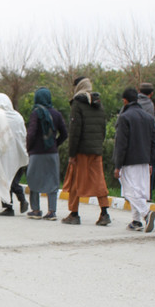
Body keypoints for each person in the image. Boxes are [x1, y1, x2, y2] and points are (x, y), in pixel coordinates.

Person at [62, 77, 111, 226]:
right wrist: (98, 145)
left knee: (75, 181)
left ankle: (74, 214)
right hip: (96, 149)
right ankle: (104, 213)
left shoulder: (77, 103)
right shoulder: (98, 103)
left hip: (81, 150)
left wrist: (72, 154)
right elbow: (103, 128)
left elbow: (75, 131)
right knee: (99, 181)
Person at [114, 87, 155, 232]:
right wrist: (151, 162)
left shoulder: (125, 117)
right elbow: (153, 142)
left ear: (125, 101)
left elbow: (121, 143)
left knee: (129, 191)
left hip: (129, 160)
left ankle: (146, 213)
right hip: (145, 160)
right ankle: (136, 221)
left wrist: (118, 165)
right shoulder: (149, 118)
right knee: (139, 190)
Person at [0, 92, 29, 216]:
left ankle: (10, 206)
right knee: (13, 180)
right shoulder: (18, 116)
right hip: (19, 153)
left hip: (4, 155)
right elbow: (23, 134)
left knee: (4, 180)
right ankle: (20, 200)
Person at [25, 87, 68, 220]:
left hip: (36, 153)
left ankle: (36, 210)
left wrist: (29, 148)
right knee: (52, 180)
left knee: (33, 179)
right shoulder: (56, 114)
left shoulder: (36, 113)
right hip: (51, 153)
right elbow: (65, 134)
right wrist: (55, 144)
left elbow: (31, 133)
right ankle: (51, 212)